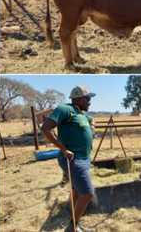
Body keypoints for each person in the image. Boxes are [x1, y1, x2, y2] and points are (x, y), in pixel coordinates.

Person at [41, 86, 96, 232]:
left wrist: (91, 125)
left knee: (77, 191)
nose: (90, 102)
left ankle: (73, 219)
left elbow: (86, 126)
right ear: (78, 98)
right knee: (87, 193)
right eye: (88, 98)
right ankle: (72, 227)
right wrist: (63, 149)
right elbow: (46, 128)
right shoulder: (65, 109)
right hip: (73, 159)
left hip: (84, 158)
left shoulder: (81, 114)